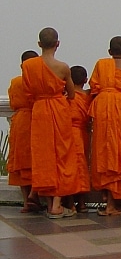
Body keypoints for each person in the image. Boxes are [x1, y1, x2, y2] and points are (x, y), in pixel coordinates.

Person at [24, 27, 78, 218]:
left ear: (39, 44)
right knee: (61, 154)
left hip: (39, 111)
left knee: (43, 155)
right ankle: (57, 203)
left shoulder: (29, 66)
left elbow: (28, 91)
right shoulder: (63, 67)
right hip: (58, 109)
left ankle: (49, 203)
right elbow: (72, 94)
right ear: (58, 44)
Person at [90, 35, 121, 215]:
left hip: (102, 105)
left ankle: (107, 195)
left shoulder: (101, 64)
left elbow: (94, 87)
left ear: (110, 52)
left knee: (103, 150)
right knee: (120, 151)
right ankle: (113, 203)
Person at [7, 50, 40, 213]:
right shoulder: (38, 83)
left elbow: (13, 103)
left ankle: (27, 201)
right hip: (36, 120)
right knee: (37, 159)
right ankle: (34, 194)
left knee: (20, 160)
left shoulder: (15, 82)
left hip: (20, 121)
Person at [69, 65, 92, 213]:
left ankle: (70, 203)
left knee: (70, 167)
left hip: (67, 134)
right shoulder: (87, 96)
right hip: (82, 134)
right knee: (82, 166)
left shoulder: (67, 97)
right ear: (86, 80)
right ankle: (82, 203)